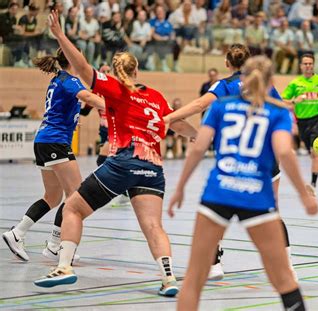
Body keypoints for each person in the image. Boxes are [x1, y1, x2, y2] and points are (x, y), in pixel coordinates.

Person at [33, 11, 197, 297]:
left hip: (123, 162)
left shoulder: (116, 88)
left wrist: (60, 35)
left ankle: (64, 267)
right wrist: (200, 137)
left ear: (118, 71)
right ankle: (169, 279)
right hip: (153, 168)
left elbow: (82, 67)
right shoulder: (155, 96)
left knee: (72, 208)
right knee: (153, 225)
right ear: (136, 70)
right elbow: (178, 124)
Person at [168, 55, 318, 311]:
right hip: (256, 195)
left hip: (218, 192)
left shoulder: (220, 106)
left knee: (194, 280)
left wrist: (180, 187)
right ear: (271, 81)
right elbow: (284, 153)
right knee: (283, 279)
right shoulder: (277, 111)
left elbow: (198, 149)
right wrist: (305, 195)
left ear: (242, 78)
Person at [2, 48, 104, 263]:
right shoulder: (70, 80)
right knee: (76, 195)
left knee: (53, 197)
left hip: (45, 140)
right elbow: (86, 96)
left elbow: (68, 106)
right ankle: (55, 245)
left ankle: (17, 233)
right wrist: (116, 106)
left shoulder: (58, 79)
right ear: (73, 60)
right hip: (55, 141)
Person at [281, 53, 318, 188]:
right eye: (305, 63)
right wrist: (295, 100)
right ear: (301, 66)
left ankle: (312, 185)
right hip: (302, 121)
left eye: (310, 63)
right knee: (312, 154)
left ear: (313, 65)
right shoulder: (295, 83)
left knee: (315, 151)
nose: (308, 66)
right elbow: (283, 100)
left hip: (317, 118)